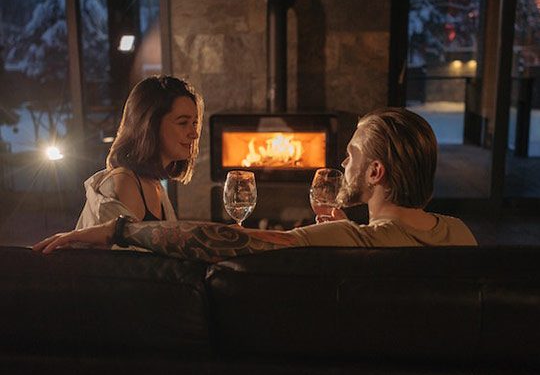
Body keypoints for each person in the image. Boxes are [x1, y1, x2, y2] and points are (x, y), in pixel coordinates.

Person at [34, 107, 477, 261]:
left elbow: (224, 239)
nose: (343, 162)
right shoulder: (460, 234)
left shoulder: (348, 238)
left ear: (376, 173)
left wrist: (120, 230)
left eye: (352, 154)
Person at [75, 76, 203, 233]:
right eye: (183, 123)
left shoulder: (155, 184)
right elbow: (124, 256)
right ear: (151, 125)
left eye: (195, 123)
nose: (194, 134)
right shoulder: (126, 183)